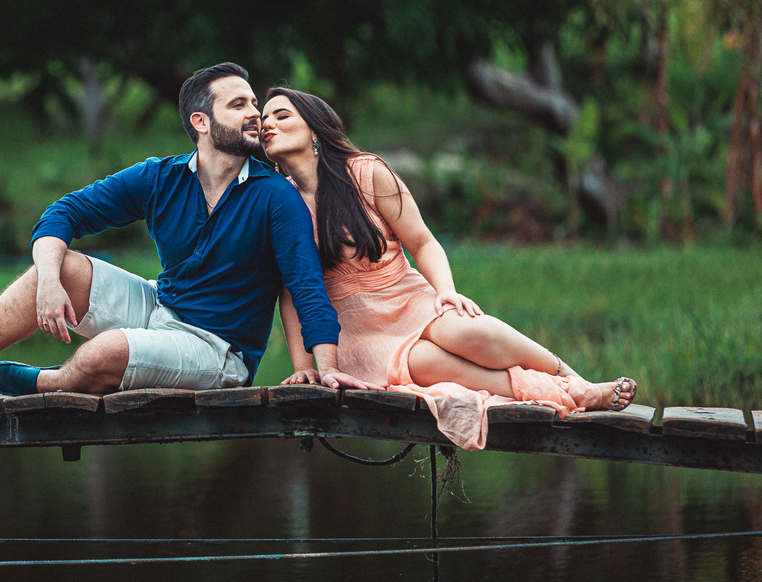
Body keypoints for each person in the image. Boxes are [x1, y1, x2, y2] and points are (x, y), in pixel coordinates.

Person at [0, 64, 374, 399]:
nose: (255, 115)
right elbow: (62, 213)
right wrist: (48, 282)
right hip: (160, 306)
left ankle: (49, 383)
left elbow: (307, 287)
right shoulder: (158, 177)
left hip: (219, 350)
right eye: (238, 105)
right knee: (61, 265)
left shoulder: (275, 197)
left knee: (105, 351)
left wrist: (325, 367)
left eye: (254, 105)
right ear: (201, 121)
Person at [260, 87, 636, 451]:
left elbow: (422, 242)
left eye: (281, 115)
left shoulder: (365, 173)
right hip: (355, 331)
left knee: (476, 332)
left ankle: (570, 376)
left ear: (314, 129)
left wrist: (445, 291)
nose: (267, 124)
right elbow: (291, 291)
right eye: (263, 119)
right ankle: (580, 395)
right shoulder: (281, 202)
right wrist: (303, 366)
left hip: (404, 295)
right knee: (430, 363)